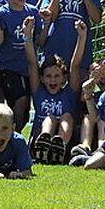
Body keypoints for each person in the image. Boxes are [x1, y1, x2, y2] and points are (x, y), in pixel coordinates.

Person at [0, 0, 44, 130]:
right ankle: (9, 138)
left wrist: (46, 23)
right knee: (19, 102)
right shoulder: (2, 13)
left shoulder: (33, 12)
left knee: (25, 111)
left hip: (26, 68)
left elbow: (40, 41)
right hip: (5, 66)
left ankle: (14, 138)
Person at [28, 19, 86, 165]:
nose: (52, 80)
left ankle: (58, 148)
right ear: (42, 78)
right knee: (50, 118)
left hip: (65, 143)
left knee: (67, 116)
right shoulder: (39, 92)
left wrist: (82, 36)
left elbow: (75, 65)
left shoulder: (69, 93)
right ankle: (44, 143)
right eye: (48, 76)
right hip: (38, 142)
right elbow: (32, 63)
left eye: (56, 76)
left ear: (64, 78)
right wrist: (27, 35)